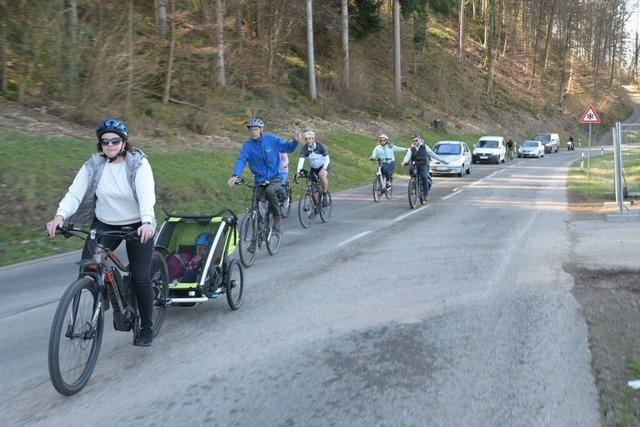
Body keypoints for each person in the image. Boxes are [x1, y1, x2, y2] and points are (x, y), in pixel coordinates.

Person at [46, 119, 157, 346]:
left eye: (115, 141)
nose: (110, 145)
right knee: (89, 266)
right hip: (105, 223)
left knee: (140, 277)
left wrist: (147, 221)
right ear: (100, 144)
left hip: (137, 224)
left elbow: (147, 194)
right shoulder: (94, 164)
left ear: (124, 143)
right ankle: (99, 290)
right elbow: (75, 192)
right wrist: (60, 216)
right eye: (105, 141)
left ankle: (146, 327)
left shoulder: (138, 164)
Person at [227, 118, 301, 233]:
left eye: (256, 129)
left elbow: (288, 148)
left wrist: (295, 141)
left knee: (270, 191)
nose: (253, 132)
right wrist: (235, 175)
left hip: (275, 176)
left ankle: (277, 216)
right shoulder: (248, 145)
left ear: (261, 130)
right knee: (257, 204)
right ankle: (257, 237)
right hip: (259, 179)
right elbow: (242, 159)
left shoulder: (272, 140)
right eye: (251, 130)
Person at [402, 134, 447, 200]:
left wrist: (442, 160)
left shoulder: (424, 146)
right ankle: (413, 183)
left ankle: (425, 195)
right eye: (413, 141)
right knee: (412, 172)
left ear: (419, 140)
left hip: (423, 164)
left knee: (424, 176)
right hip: (415, 164)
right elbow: (407, 156)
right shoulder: (411, 148)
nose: (415, 142)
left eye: (416, 140)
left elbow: (432, 154)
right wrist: (404, 162)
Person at [296, 130, 330, 205]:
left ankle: (324, 194)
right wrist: (298, 172)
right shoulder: (304, 149)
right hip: (314, 168)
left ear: (314, 139)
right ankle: (317, 207)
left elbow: (327, 159)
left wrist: (324, 169)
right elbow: (301, 161)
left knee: (322, 176)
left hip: (324, 165)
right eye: (306, 139)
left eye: (310, 138)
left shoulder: (320, 146)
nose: (308, 141)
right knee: (313, 190)